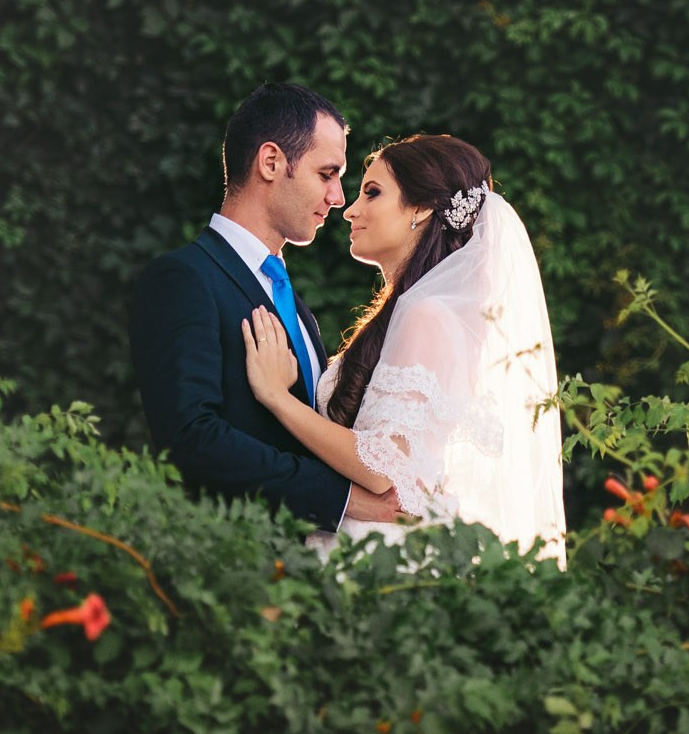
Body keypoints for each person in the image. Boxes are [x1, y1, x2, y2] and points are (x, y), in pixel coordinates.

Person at [239, 134, 566, 564]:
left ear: (421, 208)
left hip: (379, 555)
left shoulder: (426, 313)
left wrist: (278, 399)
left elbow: (388, 466)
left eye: (372, 193)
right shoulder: (422, 313)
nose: (350, 209)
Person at [131, 83, 402, 531]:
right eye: (326, 174)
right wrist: (339, 498)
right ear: (271, 161)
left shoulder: (292, 303)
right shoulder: (184, 279)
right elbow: (191, 438)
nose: (338, 198)